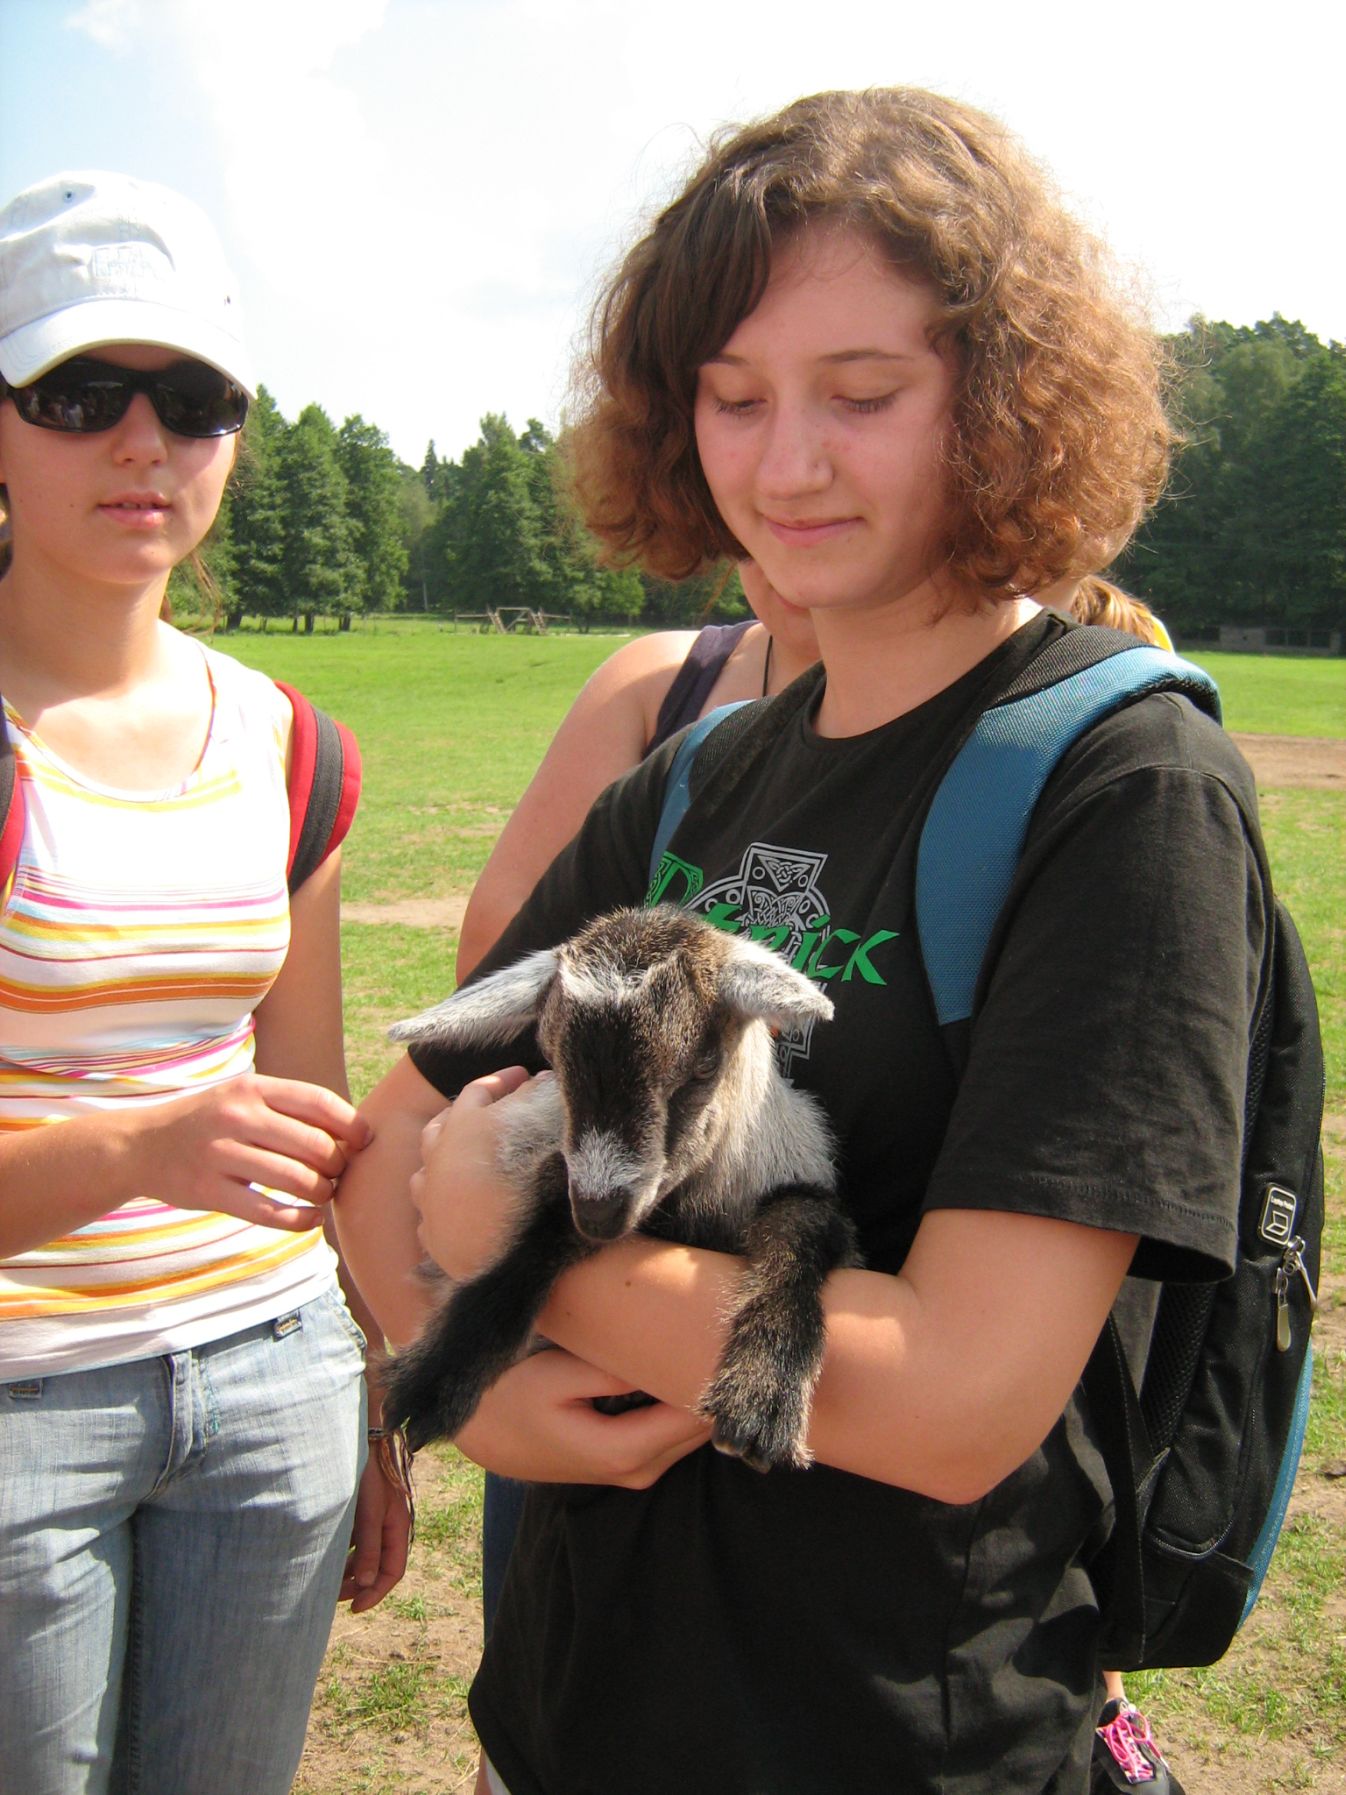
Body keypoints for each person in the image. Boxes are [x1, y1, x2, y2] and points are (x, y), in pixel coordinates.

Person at [336, 88, 1264, 1795]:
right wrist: (480, 1393)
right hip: (559, 1722)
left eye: (863, 393)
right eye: (732, 395)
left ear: (1003, 400)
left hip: (890, 1737)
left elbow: (955, 1400)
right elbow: (385, 1141)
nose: (785, 464)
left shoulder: (1123, 787)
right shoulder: (693, 775)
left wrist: (510, 1251)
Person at [0, 171, 410, 1795]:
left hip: (270, 1382)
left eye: (192, 400)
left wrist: (370, 1381)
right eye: (78, 393)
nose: (142, 443)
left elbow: (308, 1114)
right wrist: (142, 1149)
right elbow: (197, 1139)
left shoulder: (294, 747)